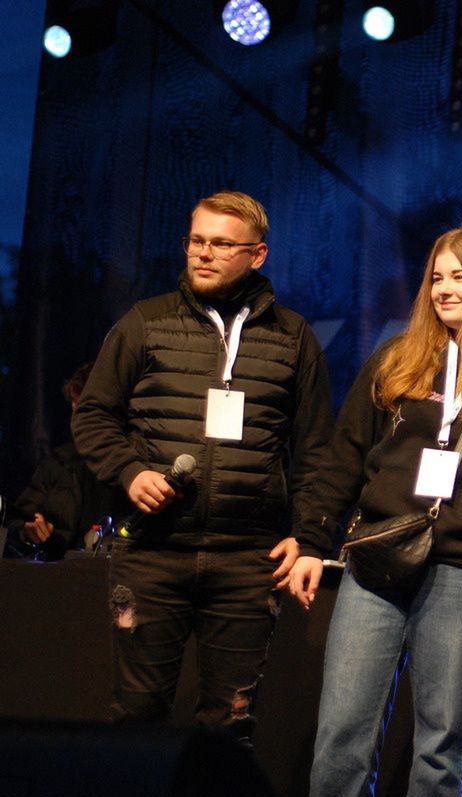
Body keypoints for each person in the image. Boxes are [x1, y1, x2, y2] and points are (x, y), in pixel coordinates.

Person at [289, 223, 462, 797]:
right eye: (437, 277)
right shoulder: (397, 360)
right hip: (377, 562)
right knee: (341, 736)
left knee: (440, 748)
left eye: (459, 277)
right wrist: (312, 541)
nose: (444, 289)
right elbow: (345, 457)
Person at [71, 191, 333, 741]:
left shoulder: (292, 338)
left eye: (221, 244)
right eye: (196, 241)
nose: (204, 253)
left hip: (247, 561)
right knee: (136, 717)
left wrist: (309, 537)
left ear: (257, 254)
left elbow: (316, 451)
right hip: (152, 554)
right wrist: (130, 472)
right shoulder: (146, 323)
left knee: (228, 726)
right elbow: (93, 415)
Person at [5, 362, 120, 560]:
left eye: (84, 411)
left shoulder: (132, 466)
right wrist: (26, 530)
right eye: (74, 410)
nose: (76, 422)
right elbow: (17, 521)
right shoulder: (57, 463)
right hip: (59, 573)